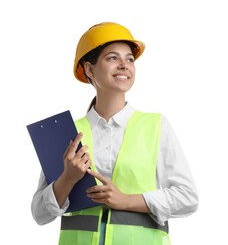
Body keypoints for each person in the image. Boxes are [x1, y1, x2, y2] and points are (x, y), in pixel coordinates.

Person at [31, 22, 199, 245]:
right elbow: (39, 213)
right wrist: (67, 179)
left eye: (129, 59)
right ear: (90, 69)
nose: (124, 65)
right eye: (112, 58)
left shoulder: (156, 125)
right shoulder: (66, 132)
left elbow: (188, 197)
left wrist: (128, 201)